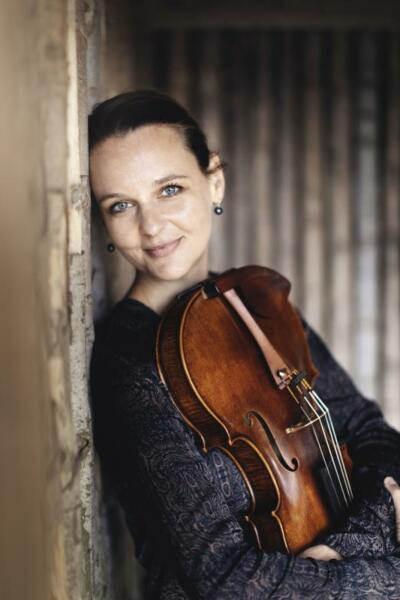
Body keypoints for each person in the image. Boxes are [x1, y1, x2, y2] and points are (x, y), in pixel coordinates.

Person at [89, 90, 400, 599]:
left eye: (169, 190)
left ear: (214, 180)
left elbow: (367, 428)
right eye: (121, 205)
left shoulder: (253, 302)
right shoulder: (129, 362)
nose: (151, 226)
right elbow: (224, 579)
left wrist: (353, 539)